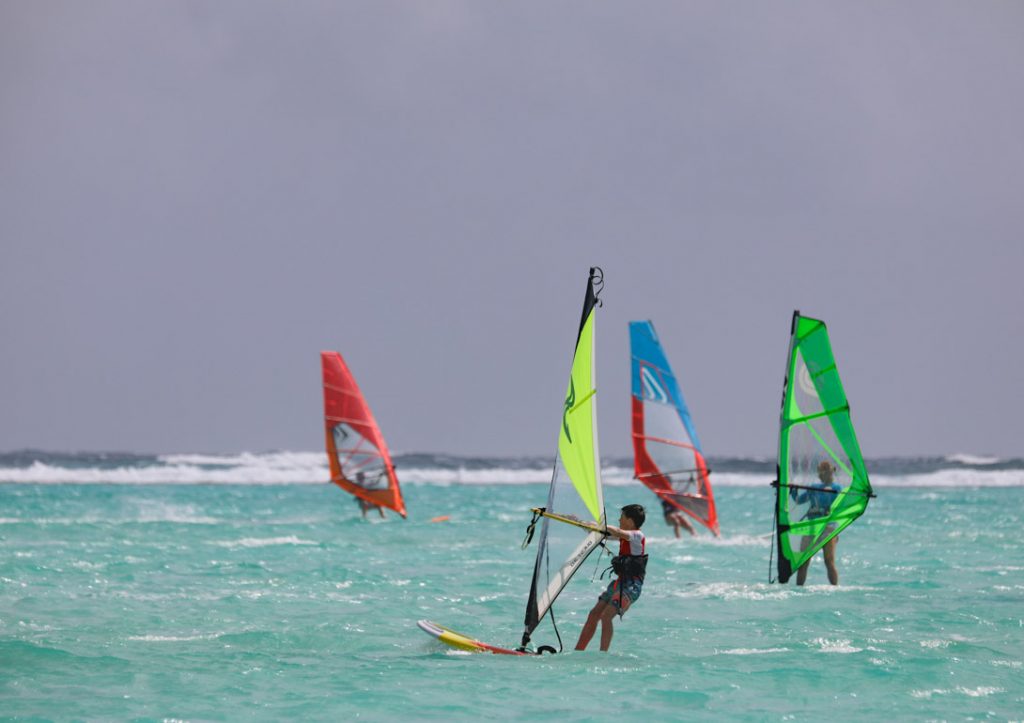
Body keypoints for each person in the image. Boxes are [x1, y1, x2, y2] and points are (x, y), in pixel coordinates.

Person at [575, 504, 647, 652]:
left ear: (630, 520)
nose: (619, 519)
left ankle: (603, 654)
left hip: (631, 586)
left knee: (606, 616)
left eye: (622, 517)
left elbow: (616, 531)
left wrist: (600, 525)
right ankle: (578, 650)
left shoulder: (637, 536)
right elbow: (605, 533)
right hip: (619, 584)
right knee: (594, 613)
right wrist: (583, 524)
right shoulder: (624, 536)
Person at [795, 460, 842, 585]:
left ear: (830, 473)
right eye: (820, 473)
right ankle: (798, 590)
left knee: (829, 562)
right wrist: (792, 490)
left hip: (829, 529)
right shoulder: (813, 488)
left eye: (825, 473)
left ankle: (835, 589)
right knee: (803, 562)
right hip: (811, 528)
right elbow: (799, 501)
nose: (821, 476)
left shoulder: (837, 489)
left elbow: (843, 505)